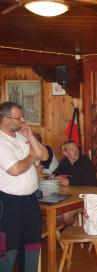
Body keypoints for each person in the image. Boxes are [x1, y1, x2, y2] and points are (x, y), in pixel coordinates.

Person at [0, 101, 48, 271]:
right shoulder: (1, 142)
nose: (22, 120)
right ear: (5, 119)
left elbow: (43, 155)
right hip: (10, 204)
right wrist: (30, 157)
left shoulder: (21, 136)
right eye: (18, 117)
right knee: (8, 249)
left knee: (31, 246)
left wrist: (30, 137)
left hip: (31, 201)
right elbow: (15, 169)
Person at [53, 140, 97, 225]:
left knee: (66, 216)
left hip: (87, 197)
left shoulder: (84, 160)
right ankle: (74, 228)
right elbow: (55, 174)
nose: (76, 151)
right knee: (56, 215)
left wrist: (69, 182)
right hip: (71, 197)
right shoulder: (64, 161)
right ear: (65, 153)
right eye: (72, 149)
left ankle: (74, 230)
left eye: (76, 148)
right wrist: (56, 177)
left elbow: (91, 181)